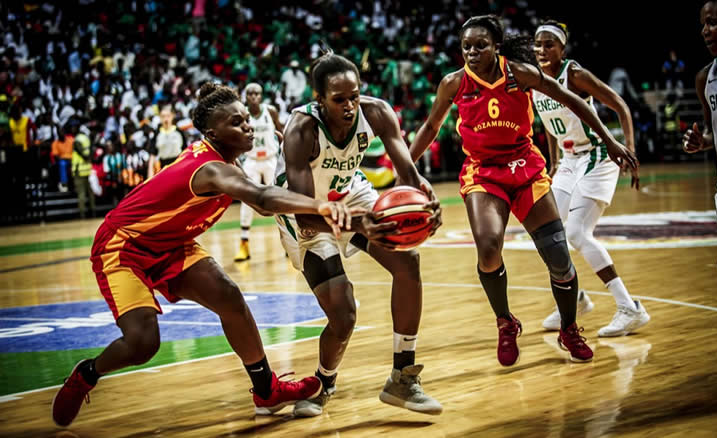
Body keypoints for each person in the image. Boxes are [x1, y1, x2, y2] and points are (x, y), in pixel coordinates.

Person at [51, 82, 363, 428]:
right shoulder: (211, 169)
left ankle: (266, 391)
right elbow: (261, 199)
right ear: (212, 132)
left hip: (170, 244)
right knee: (143, 344)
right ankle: (87, 373)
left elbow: (262, 203)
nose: (247, 126)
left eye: (246, 119)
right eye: (236, 123)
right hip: (124, 246)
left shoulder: (227, 162)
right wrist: (320, 205)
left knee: (229, 297)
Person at [409, 15, 638, 366]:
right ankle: (506, 322)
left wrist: (610, 140)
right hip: (484, 173)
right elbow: (429, 126)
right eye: (466, 46)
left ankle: (570, 328)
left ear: (496, 46)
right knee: (488, 249)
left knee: (559, 256)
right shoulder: (453, 84)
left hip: (525, 169)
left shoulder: (520, 74)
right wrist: (404, 172)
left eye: (480, 45)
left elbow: (574, 101)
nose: (472, 52)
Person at [275, 52, 443, 417]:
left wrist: (425, 203)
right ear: (318, 98)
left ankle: (402, 377)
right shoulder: (301, 130)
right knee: (344, 314)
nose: (350, 105)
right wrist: (357, 225)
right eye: (339, 99)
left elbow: (409, 176)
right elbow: (305, 214)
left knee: (408, 260)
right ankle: (324, 381)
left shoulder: (378, 112)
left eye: (355, 95)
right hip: (306, 210)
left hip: (350, 191)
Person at [532, 20, 650, 337]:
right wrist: (554, 162)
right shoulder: (535, 80)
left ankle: (630, 308)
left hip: (598, 156)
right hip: (569, 160)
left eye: (549, 44)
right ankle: (575, 299)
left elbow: (620, 105)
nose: (541, 50)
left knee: (577, 233)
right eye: (537, 44)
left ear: (562, 48)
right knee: (547, 232)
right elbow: (547, 122)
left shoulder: (575, 74)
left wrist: (630, 148)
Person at [683, 0, 717, 275]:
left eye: (712, 22)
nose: (705, 31)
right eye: (703, 24)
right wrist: (702, 141)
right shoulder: (706, 78)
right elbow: (713, 131)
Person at [235, 82, 285, 262]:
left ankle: (289, 239)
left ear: (261, 95)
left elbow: (281, 132)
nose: (254, 97)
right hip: (252, 161)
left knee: (280, 199)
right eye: (250, 94)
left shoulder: (270, 111)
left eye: (257, 93)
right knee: (246, 202)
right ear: (245, 96)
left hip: (271, 160)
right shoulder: (242, 115)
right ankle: (244, 244)